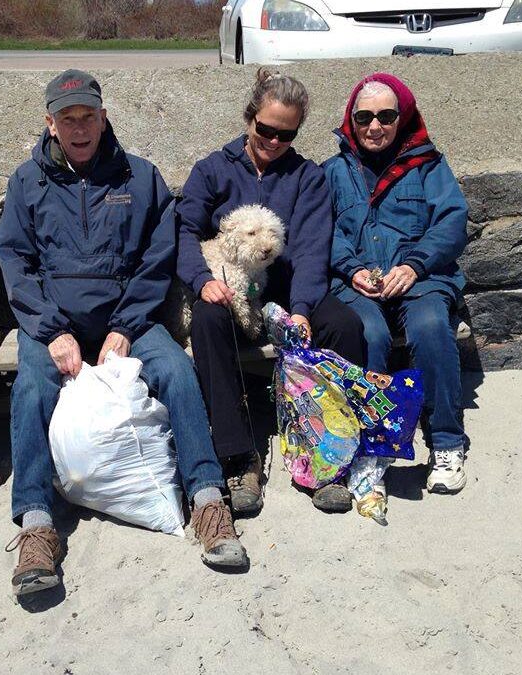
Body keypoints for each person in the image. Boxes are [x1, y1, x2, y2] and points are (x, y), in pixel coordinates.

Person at [0, 69, 248, 597]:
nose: (80, 128)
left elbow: (156, 260)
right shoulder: (27, 183)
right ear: (51, 123)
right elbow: (14, 262)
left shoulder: (139, 178)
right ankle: (37, 526)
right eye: (69, 119)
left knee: (177, 370)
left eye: (89, 117)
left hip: (125, 320)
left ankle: (206, 500)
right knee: (30, 388)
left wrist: (126, 327)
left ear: (104, 117)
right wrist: (51, 330)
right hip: (53, 326)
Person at [177, 68, 366, 517]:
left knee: (343, 325)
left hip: (285, 293)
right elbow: (183, 229)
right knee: (207, 322)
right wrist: (203, 282)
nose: (274, 141)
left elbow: (312, 248)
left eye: (287, 133)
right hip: (228, 289)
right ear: (249, 119)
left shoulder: (307, 177)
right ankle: (239, 457)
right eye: (266, 129)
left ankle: (329, 458)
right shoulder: (212, 170)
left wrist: (301, 309)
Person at [324, 73, 469, 498]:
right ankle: (373, 451)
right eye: (365, 116)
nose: (375, 126)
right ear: (351, 120)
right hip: (357, 282)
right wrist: (350, 269)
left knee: (428, 327)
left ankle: (445, 442)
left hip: (420, 279)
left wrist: (415, 265)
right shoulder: (332, 172)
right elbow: (319, 229)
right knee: (369, 333)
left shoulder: (429, 166)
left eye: (386, 116)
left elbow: (451, 221)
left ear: (401, 118)